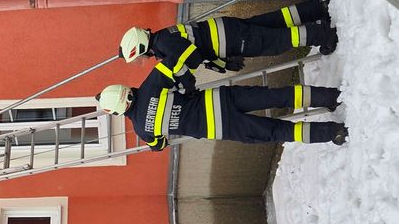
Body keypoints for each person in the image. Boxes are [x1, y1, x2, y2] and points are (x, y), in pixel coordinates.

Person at [97, 67, 348, 149]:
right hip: (223, 100)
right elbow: (176, 65)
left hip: (222, 127)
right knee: (278, 96)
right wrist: (187, 87)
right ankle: (330, 97)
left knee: (278, 132)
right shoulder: (150, 85)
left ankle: (333, 132)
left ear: (119, 111)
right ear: (126, 90)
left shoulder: (142, 131)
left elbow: (159, 146)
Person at [119, 0, 337, 91]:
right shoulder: (163, 38)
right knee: (275, 21)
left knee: (273, 41)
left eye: (138, 58)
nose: (141, 62)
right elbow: (197, 50)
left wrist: (183, 80)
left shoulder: (165, 46)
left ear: (141, 49)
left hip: (230, 39)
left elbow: (192, 57)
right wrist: (220, 64)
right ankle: (317, 9)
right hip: (227, 30)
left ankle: (323, 35)